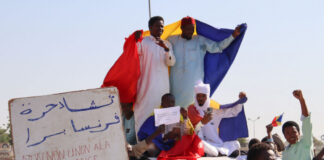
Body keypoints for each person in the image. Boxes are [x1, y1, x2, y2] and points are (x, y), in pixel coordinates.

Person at [168, 16, 241, 108]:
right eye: (188, 29)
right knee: (175, 110)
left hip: (194, 85)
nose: (190, 32)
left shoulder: (199, 40)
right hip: (176, 84)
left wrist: (233, 36)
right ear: (181, 28)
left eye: (192, 29)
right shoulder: (171, 40)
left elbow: (217, 47)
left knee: (194, 110)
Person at [133, 16, 176, 133]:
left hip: (162, 86)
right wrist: (135, 41)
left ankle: (161, 144)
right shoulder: (143, 41)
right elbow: (133, 54)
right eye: (158, 26)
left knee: (163, 112)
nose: (160, 29)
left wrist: (166, 49)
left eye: (162, 26)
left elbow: (171, 62)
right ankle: (140, 142)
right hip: (146, 84)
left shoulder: (167, 44)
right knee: (143, 111)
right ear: (150, 27)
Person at [187, 81, 248, 157]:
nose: (201, 98)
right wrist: (202, 123)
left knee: (236, 143)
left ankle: (220, 152)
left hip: (217, 143)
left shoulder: (214, 110)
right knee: (201, 143)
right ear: (195, 96)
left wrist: (240, 101)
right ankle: (219, 153)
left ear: (207, 96)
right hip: (203, 144)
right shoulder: (192, 110)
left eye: (203, 96)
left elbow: (233, 112)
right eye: (198, 96)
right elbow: (191, 132)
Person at [137, 93, 203, 159]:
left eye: (172, 102)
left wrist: (185, 117)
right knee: (151, 146)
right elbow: (141, 135)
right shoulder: (153, 117)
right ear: (162, 104)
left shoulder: (179, 116)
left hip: (173, 145)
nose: (170, 105)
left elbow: (189, 132)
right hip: (157, 143)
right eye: (167, 102)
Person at [282, 90, 313, 160]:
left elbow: (306, 121)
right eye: (287, 133)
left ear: (299, 133)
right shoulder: (285, 153)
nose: (291, 135)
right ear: (284, 136)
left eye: (294, 132)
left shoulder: (306, 143)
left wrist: (301, 100)